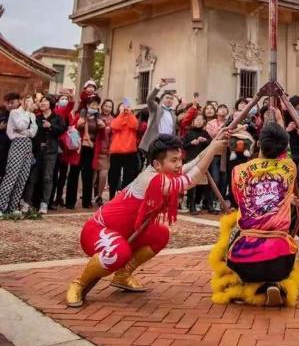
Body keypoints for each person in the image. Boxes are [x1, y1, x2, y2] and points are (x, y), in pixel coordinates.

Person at [65, 131, 227, 307]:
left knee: (160, 234)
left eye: (179, 159)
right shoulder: (151, 179)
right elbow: (191, 178)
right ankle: (79, 284)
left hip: (130, 230)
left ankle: (123, 275)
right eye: (174, 160)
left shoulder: (159, 170)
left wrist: (213, 143)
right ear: (157, 163)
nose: (179, 164)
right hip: (97, 231)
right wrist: (213, 150)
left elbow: (192, 165)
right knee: (119, 253)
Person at [209, 121, 299, 307]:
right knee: (291, 243)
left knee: (232, 230)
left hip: (244, 257)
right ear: (283, 148)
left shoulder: (238, 171)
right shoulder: (290, 168)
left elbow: (237, 199)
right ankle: (272, 284)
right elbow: (287, 154)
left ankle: (245, 285)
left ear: (258, 143)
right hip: (281, 259)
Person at [22, 94, 67, 214]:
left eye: (45, 101)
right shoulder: (36, 117)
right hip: (37, 151)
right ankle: (27, 202)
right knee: (32, 177)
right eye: (41, 101)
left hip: (51, 151)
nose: (42, 103)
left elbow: (63, 129)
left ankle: (44, 203)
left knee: (48, 177)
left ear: (51, 103)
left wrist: (51, 126)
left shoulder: (58, 117)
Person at [0, 95, 37, 218]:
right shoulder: (15, 113)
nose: (29, 102)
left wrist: (24, 131)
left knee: (22, 177)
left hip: (28, 144)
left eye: (31, 100)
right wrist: (27, 113)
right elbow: (20, 126)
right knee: (11, 176)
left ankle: (13, 207)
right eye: (27, 100)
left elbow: (33, 132)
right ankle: (1, 206)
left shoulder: (32, 115)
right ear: (22, 101)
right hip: (16, 144)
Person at [67, 93, 102, 209]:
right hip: (79, 148)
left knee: (88, 175)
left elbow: (101, 134)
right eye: (92, 104)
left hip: (91, 148)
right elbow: (71, 128)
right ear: (87, 105)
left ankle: (86, 201)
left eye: (96, 104)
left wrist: (102, 127)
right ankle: (70, 202)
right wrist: (78, 125)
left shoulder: (98, 118)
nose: (94, 106)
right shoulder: (81, 115)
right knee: (74, 173)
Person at [108, 100, 139, 198]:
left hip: (130, 151)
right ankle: (112, 194)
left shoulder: (132, 117)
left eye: (127, 107)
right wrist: (121, 114)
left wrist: (129, 113)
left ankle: (124, 195)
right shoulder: (116, 118)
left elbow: (134, 125)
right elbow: (114, 126)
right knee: (114, 174)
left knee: (128, 175)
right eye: (122, 107)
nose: (125, 108)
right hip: (117, 150)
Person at [183, 114, 212, 213]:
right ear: (193, 122)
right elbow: (183, 146)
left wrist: (205, 141)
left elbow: (211, 144)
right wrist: (191, 143)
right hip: (191, 160)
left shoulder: (205, 133)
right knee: (192, 183)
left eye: (201, 120)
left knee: (205, 183)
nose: (199, 121)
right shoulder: (188, 133)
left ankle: (208, 204)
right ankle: (192, 205)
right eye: (197, 120)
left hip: (203, 160)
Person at [139, 80, 179, 153]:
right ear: (162, 99)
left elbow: (173, 131)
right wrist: (158, 86)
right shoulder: (156, 108)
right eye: (167, 98)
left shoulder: (173, 114)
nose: (169, 100)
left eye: (171, 98)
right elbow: (149, 99)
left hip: (168, 142)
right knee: (153, 163)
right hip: (156, 141)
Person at [93, 99, 114, 205]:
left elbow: (113, 136)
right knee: (93, 175)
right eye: (106, 106)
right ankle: (92, 193)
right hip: (94, 149)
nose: (107, 108)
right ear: (102, 106)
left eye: (110, 107)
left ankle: (99, 196)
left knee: (103, 175)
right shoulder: (96, 117)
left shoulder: (113, 120)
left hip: (106, 151)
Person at [0, 92, 20, 180]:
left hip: (15, 149)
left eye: (12, 102)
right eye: (8, 103)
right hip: (2, 148)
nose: (10, 105)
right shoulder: (2, 115)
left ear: (18, 102)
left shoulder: (22, 115)